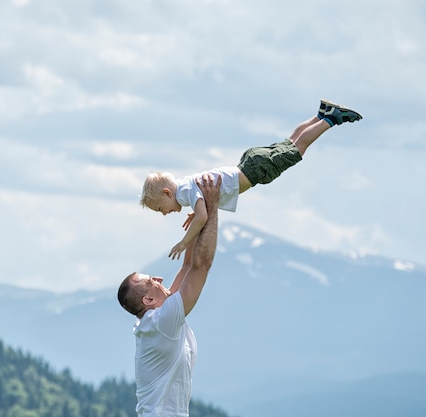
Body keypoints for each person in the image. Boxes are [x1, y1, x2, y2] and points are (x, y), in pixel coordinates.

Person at [140, 99, 362, 259]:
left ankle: (331, 119)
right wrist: (195, 210)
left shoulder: (184, 193)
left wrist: (183, 242)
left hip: (254, 171)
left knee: (297, 149)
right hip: (249, 162)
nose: (165, 213)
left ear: (167, 193)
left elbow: (202, 218)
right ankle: (321, 114)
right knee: (289, 142)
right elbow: (202, 203)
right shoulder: (185, 186)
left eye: (161, 208)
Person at [117, 174, 221, 417]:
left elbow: (187, 267)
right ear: (148, 300)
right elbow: (201, 266)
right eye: (152, 281)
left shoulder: (155, 320)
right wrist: (213, 208)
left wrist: (199, 216)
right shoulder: (162, 321)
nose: (160, 279)